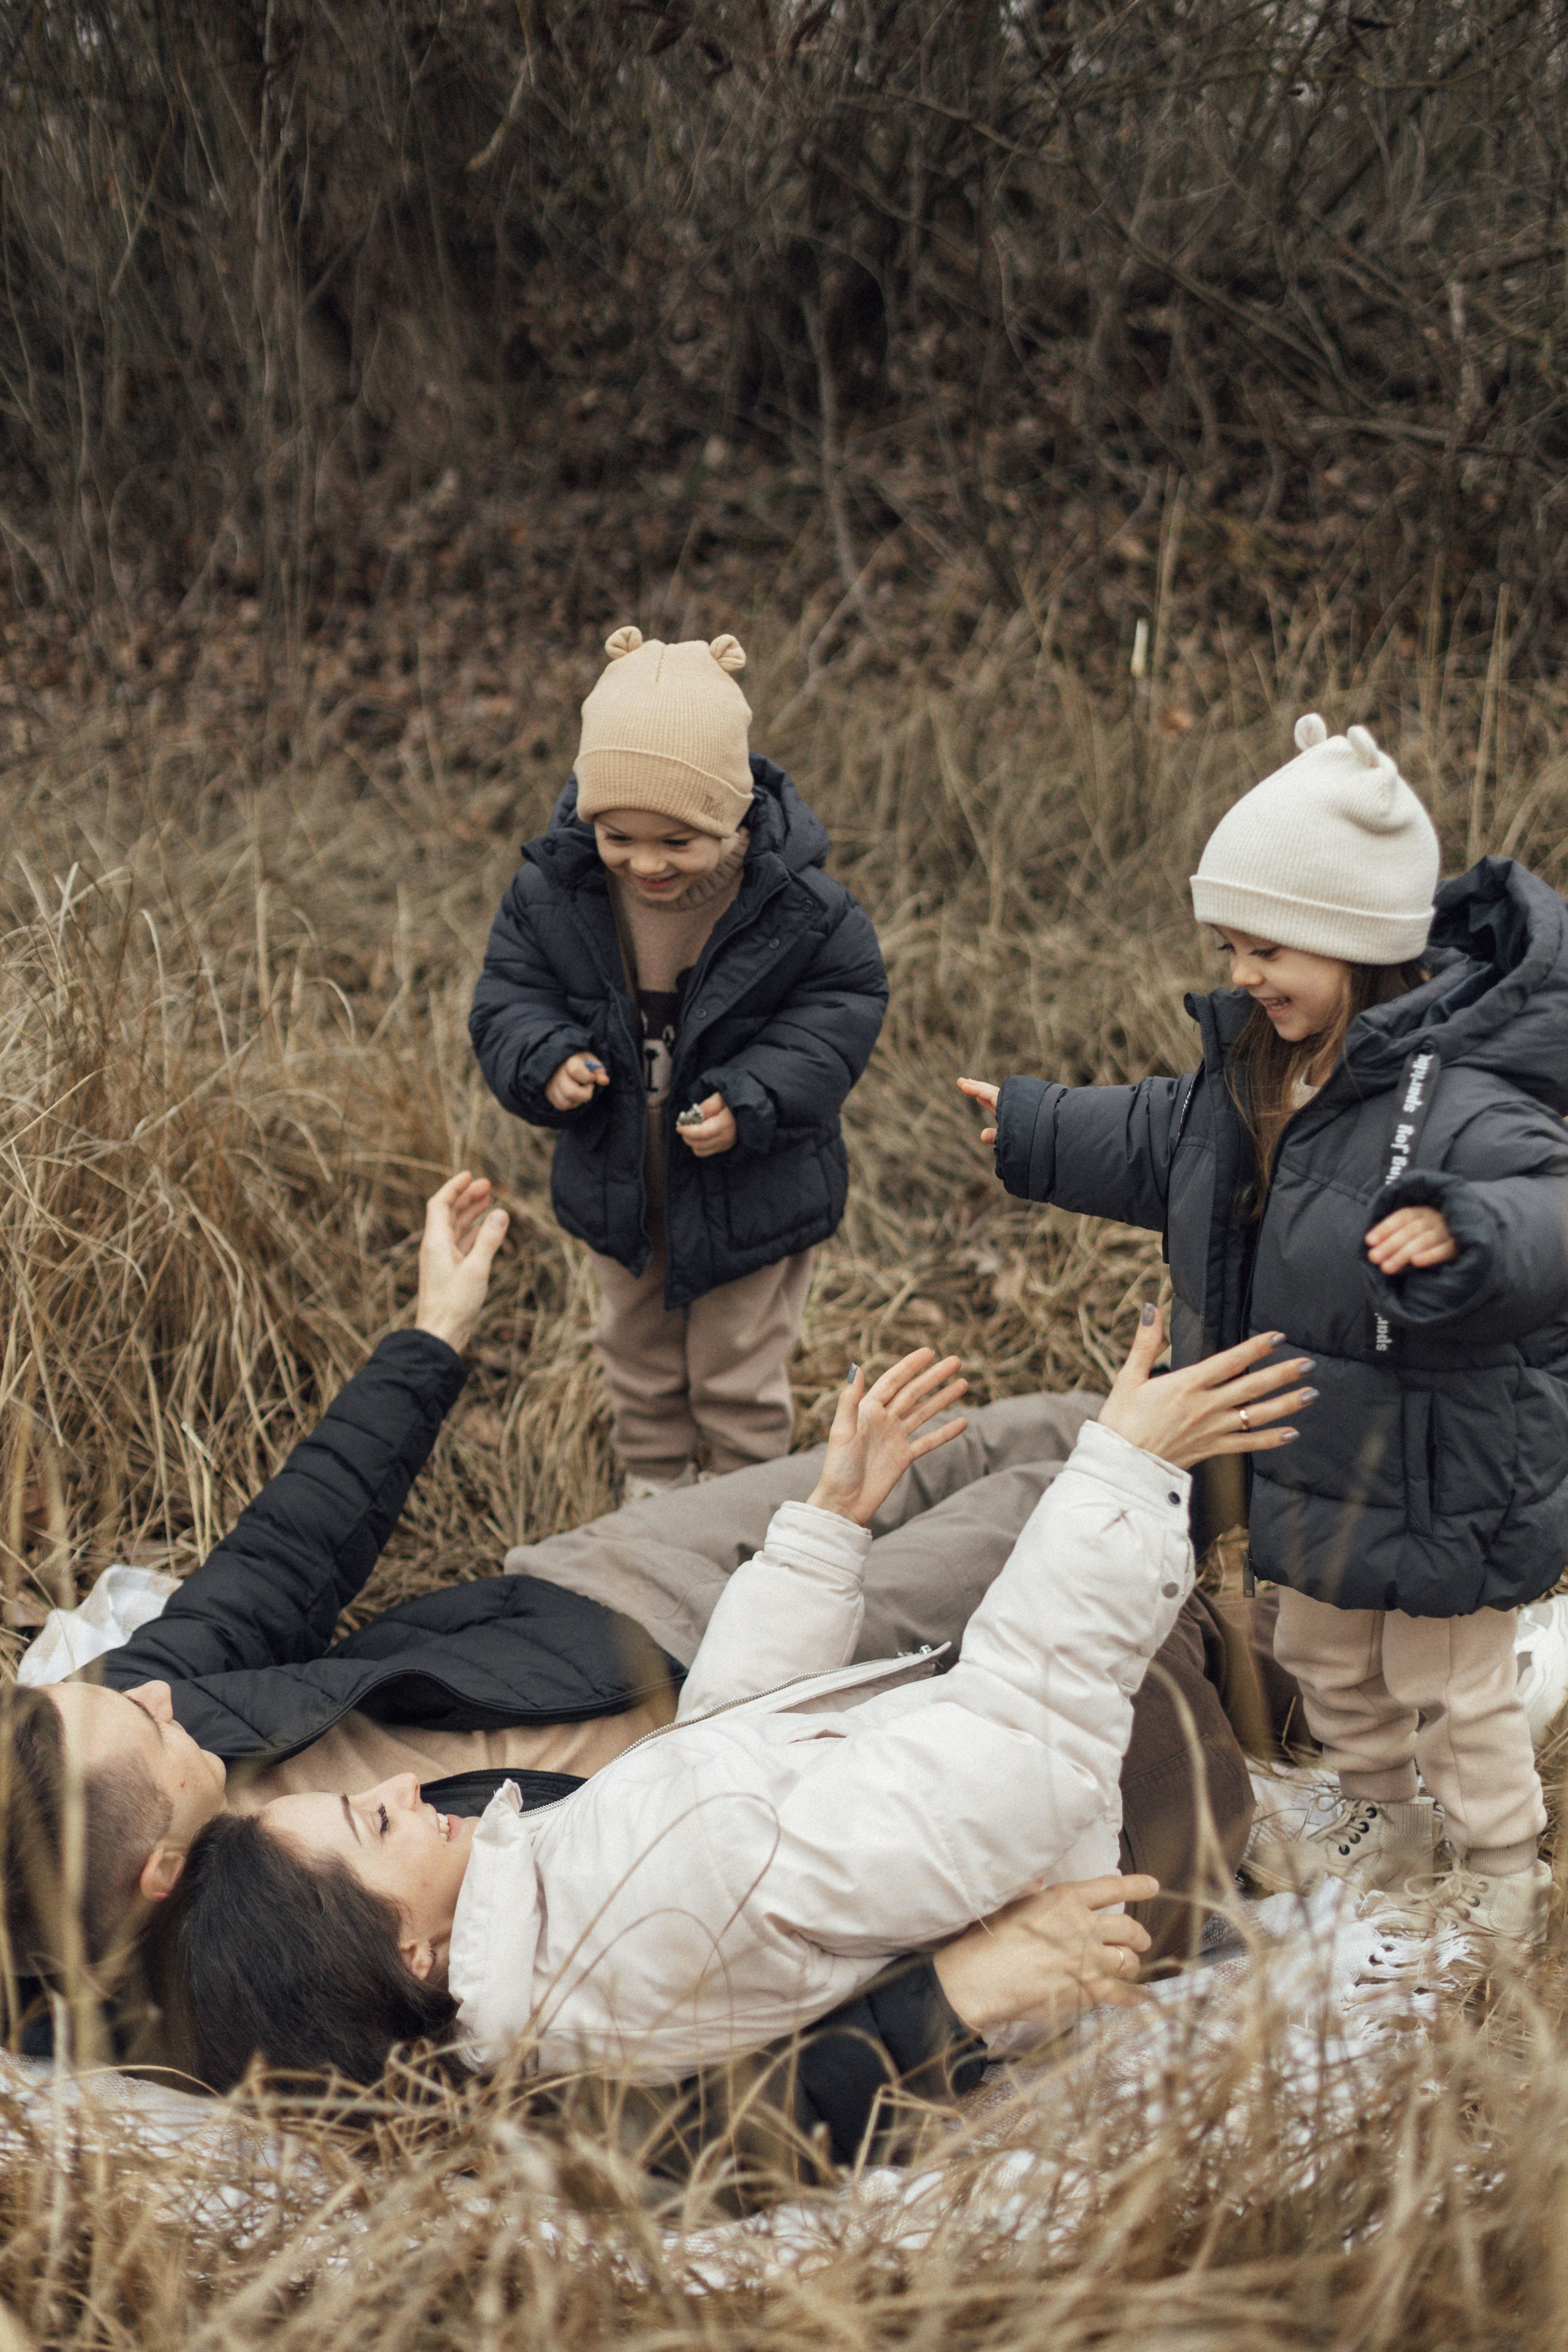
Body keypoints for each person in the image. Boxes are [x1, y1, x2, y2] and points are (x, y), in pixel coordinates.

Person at [2, 1175, 1264, 2160]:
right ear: (155, 1870)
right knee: (1084, 1492)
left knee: (1002, 1437)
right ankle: (1326, 1567)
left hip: (604, 1610)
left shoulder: (144, 1704)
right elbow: (670, 2133)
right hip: (788, 1739)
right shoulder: (286, 2002)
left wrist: (432, 1332)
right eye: (139, 1732)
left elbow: (286, 1550)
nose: (149, 1692)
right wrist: (947, 1999)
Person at [154, 1315, 1314, 2093]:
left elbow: (725, 1752)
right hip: (1131, 1789)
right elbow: (1015, 1769)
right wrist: (1120, 1475)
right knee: (1204, 1635)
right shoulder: (641, 1901)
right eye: (372, 1825)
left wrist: (825, 1532)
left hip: (1035, 1764)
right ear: (409, 1952)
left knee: (1199, 1621)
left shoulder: (545, 1929)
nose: (401, 1788)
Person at [960, 715, 1568, 1949]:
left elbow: (1546, 1211)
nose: (1244, 971)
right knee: (1321, 1650)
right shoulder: (1251, 1071)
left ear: (1357, 943)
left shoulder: (1459, 1095)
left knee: (1447, 1686)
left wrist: (1464, 1233)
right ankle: (1379, 1816)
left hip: (1445, 1467)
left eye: (1269, 946)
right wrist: (1034, 1128)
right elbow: (1155, 1142)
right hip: (1316, 1451)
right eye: (1231, 945)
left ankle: (1502, 1866)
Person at [468, 625, 888, 1497]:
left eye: (677, 842)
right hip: (621, 1177)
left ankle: (743, 1498)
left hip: (749, 1184)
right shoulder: (557, 892)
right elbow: (509, 998)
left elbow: (838, 1013)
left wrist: (755, 1095)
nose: (645, 864)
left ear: (731, 813)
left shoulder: (800, 907)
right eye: (619, 837)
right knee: (635, 1348)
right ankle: (652, 1491)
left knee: (736, 1360)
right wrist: (548, 1060)